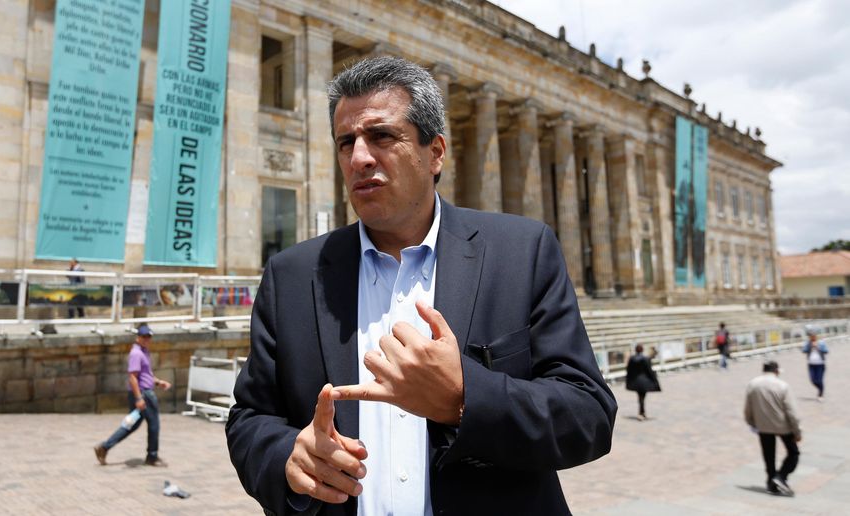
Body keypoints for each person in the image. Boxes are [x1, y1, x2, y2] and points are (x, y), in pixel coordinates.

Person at [226, 56, 617, 516]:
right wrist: (287, 456)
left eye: (382, 136)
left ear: (435, 153)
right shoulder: (291, 275)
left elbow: (588, 415)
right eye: (346, 142)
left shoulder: (521, 253)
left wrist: (465, 398)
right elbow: (249, 418)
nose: (359, 158)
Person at [94, 324, 171, 467]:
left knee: (132, 424)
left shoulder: (144, 351)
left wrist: (159, 382)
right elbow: (133, 377)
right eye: (144, 337)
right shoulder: (136, 353)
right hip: (144, 393)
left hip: (144, 391)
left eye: (149, 336)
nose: (147, 339)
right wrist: (139, 398)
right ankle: (152, 456)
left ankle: (104, 447)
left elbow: (146, 375)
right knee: (154, 424)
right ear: (138, 337)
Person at [744, 360, 801, 496]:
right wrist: (797, 430)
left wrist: (751, 422)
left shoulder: (753, 384)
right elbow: (792, 411)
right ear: (776, 371)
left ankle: (771, 483)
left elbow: (748, 408)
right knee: (793, 453)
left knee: (769, 456)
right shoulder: (782, 386)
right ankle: (780, 477)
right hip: (783, 426)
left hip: (763, 425)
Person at [625, 344, 661, 420]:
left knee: (640, 397)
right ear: (642, 350)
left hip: (636, 381)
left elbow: (628, 370)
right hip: (644, 381)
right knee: (642, 397)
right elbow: (649, 371)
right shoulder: (645, 359)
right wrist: (655, 380)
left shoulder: (632, 358)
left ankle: (641, 412)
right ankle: (641, 413)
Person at [801, 333, 828, 401]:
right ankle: (820, 389)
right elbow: (803, 351)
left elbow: (826, 351)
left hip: (820, 364)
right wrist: (810, 346)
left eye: (814, 336)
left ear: (816, 336)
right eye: (811, 336)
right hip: (811, 364)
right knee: (812, 380)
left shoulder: (821, 343)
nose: (812, 337)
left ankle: (820, 394)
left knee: (819, 380)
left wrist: (817, 347)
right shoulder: (808, 343)